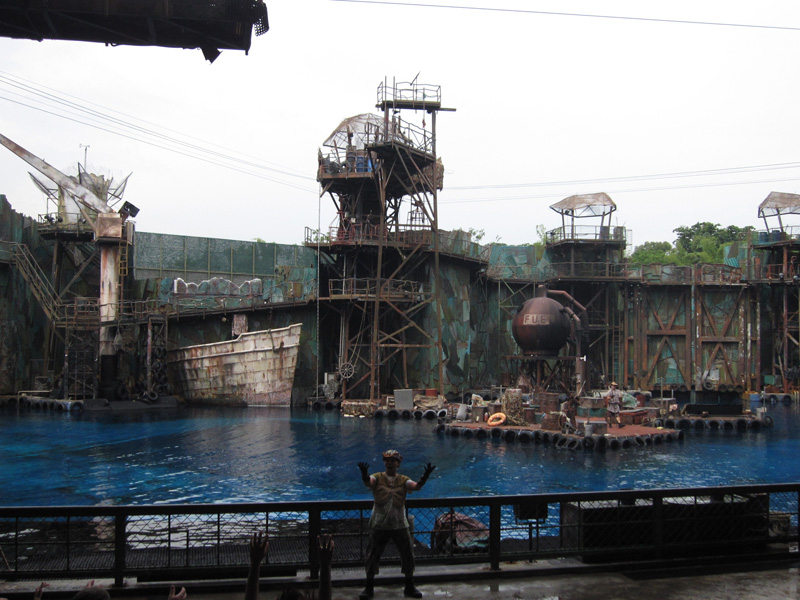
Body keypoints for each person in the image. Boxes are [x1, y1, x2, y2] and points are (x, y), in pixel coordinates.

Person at [357, 450, 435, 600]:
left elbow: (415, 486)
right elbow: (369, 482)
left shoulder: (403, 480)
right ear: (384, 462)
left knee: (408, 554)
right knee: (372, 554)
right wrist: (364, 474)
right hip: (380, 524)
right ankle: (369, 586)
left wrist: (425, 476)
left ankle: (409, 585)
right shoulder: (377, 477)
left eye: (393, 460)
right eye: (387, 460)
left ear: (398, 464)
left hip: (399, 523)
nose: (390, 463)